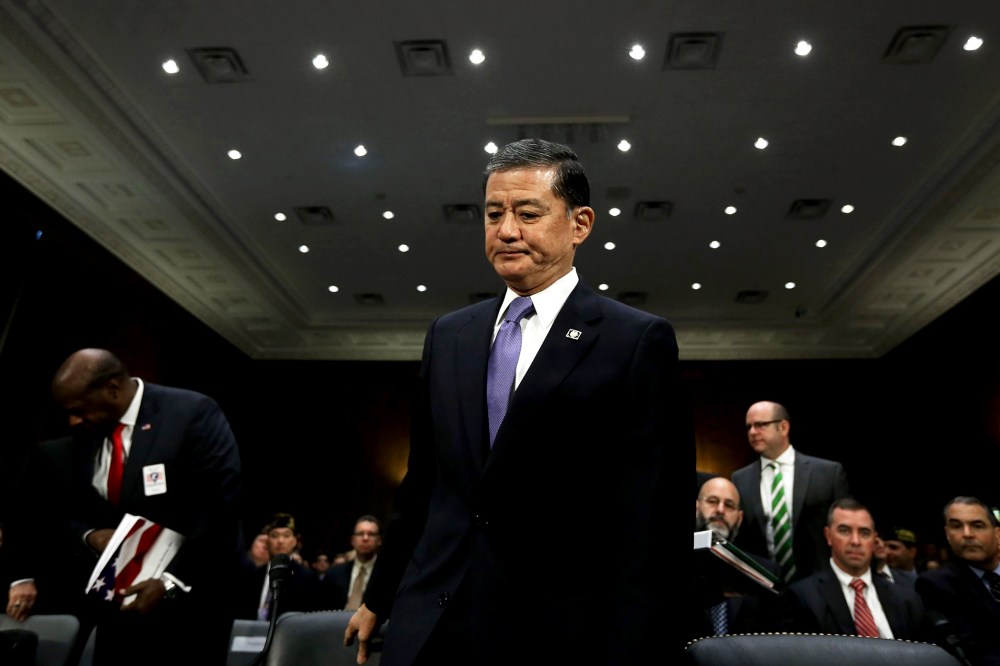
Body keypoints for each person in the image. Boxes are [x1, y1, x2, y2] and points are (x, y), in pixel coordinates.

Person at [344, 138, 681, 665]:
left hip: (559, 631)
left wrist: (635, 644)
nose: (506, 230)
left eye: (528, 213)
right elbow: (424, 483)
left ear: (580, 224)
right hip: (433, 622)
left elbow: (653, 516)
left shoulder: (634, 340)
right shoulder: (450, 335)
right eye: (493, 213)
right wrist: (379, 596)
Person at [48, 348, 243, 666]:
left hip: (187, 606)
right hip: (116, 606)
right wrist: (91, 534)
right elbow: (65, 505)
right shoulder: (89, 432)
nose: (74, 420)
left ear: (112, 388)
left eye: (80, 409)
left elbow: (220, 507)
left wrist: (169, 582)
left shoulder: (190, 412)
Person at [731, 400, 851, 582]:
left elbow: (846, 528)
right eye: (749, 427)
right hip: (765, 588)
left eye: (760, 425)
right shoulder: (740, 479)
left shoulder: (827, 473)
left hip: (821, 585)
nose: (753, 432)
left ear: (783, 427)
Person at [788, 498, 925, 639]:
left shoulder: (906, 600)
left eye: (864, 533)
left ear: (874, 539)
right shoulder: (802, 597)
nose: (855, 541)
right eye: (844, 531)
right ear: (828, 536)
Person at [691, 476, 790, 639]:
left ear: (740, 517)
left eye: (729, 505)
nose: (720, 510)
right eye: (712, 501)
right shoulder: (670, 564)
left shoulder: (764, 572)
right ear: (696, 508)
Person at [915, 496, 1000, 665]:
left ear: (997, 534)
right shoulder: (936, 584)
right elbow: (978, 651)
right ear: (947, 534)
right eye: (956, 526)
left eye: (977, 525)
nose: (967, 534)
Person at [236, 513, 318, 620]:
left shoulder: (307, 578)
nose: (280, 541)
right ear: (267, 540)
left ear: (295, 541)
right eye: (274, 536)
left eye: (286, 535)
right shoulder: (253, 575)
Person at [321, 515, 382, 610]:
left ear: (379, 540)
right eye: (360, 534)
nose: (365, 538)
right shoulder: (334, 574)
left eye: (371, 534)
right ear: (353, 540)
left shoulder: (387, 575)